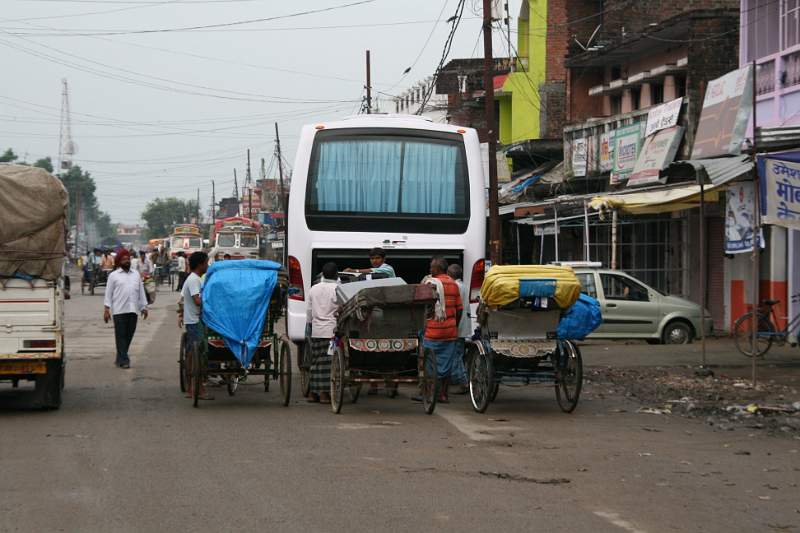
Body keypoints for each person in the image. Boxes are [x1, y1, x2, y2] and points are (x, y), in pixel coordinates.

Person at [416, 256, 462, 403]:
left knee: (428, 363)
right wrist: (454, 325)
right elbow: (459, 309)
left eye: (431, 267)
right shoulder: (454, 284)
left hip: (432, 331)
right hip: (450, 331)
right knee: (447, 365)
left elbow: (422, 308)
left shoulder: (430, 283)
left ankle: (428, 392)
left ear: (437, 269)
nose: (430, 270)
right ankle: (443, 394)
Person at [103, 249, 149, 369]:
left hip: (133, 310)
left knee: (129, 335)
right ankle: (124, 360)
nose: (126, 261)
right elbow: (108, 293)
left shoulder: (136, 274)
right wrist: (106, 309)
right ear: (119, 261)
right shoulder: (113, 276)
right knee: (121, 336)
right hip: (119, 310)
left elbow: (141, 292)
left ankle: (120, 357)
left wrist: (144, 307)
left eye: (127, 259)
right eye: (123, 259)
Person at [306, 262, 339, 404]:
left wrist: (309, 325)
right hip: (332, 331)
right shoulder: (338, 289)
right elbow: (341, 309)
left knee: (316, 361)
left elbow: (309, 310)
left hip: (316, 330)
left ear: (323, 274)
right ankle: (325, 394)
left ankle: (313, 393)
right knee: (329, 362)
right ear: (336, 274)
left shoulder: (314, 289)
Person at [180, 251, 212, 400]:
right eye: (206, 262)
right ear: (200, 264)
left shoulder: (195, 279)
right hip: (194, 321)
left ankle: (192, 388)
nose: (208, 265)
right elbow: (197, 301)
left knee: (194, 355)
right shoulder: (194, 280)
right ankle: (195, 389)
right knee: (196, 356)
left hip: (194, 320)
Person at [447, 263, 470, 394]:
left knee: (456, 356)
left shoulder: (455, 286)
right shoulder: (464, 286)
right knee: (458, 355)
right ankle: (459, 380)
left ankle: (463, 382)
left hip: (457, 326)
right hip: (463, 326)